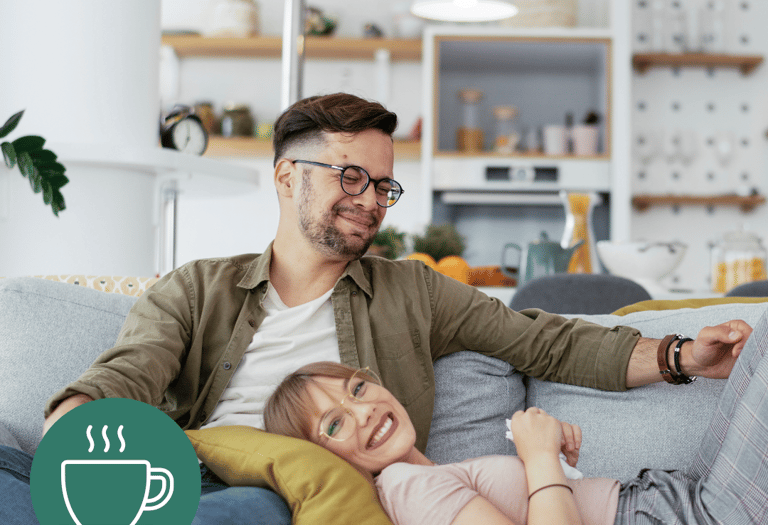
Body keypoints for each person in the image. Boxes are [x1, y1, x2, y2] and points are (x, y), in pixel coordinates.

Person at [0, 92, 752, 524]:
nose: (371, 201)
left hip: (272, 503)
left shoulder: (411, 290)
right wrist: (78, 426)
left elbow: (541, 341)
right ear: (288, 176)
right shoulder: (197, 288)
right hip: (189, 474)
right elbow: (129, 374)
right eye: (350, 176)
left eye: (383, 186)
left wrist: (681, 355)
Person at [265, 322, 768, 525]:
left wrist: (554, 469)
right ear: (319, 454)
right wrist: (540, 457)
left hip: (675, 501)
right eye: (334, 424)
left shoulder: (425, 477)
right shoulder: (404, 487)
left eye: (357, 389)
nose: (364, 410)